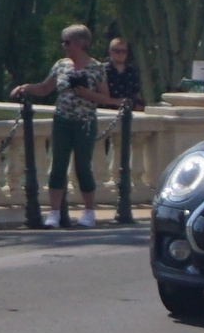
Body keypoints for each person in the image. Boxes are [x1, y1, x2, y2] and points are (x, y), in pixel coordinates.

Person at [12, 23, 117, 227]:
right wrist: (25, 88)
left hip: (84, 121)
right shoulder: (61, 65)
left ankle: (88, 212)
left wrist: (88, 94)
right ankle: (54, 212)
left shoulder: (96, 67)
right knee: (58, 165)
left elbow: (106, 97)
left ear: (80, 43)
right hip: (62, 120)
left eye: (67, 42)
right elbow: (45, 88)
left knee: (82, 166)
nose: (64, 46)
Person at [104, 35, 145, 111]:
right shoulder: (103, 70)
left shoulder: (131, 70)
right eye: (117, 51)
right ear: (110, 52)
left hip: (130, 111)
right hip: (108, 111)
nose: (120, 54)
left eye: (124, 52)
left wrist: (139, 104)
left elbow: (136, 92)